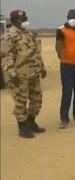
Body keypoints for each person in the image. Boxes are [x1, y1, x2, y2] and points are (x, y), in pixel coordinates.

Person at [3, 9, 47, 138]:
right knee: (21, 102)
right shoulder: (8, 37)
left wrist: (42, 68)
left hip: (33, 73)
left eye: (25, 18)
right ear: (14, 21)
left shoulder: (28, 34)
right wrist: (12, 74)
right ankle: (22, 127)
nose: (25, 20)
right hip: (18, 76)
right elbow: (7, 57)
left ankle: (31, 122)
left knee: (37, 100)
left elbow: (36, 52)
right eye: (22, 19)